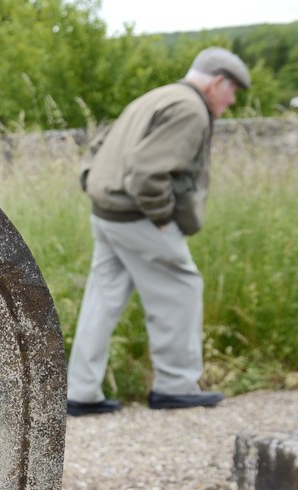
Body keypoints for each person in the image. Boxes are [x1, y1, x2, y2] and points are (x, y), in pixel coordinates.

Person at [65, 47, 250, 416]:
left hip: (106, 211)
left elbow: (100, 146)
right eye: (232, 93)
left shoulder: (157, 95)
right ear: (217, 82)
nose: (230, 103)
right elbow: (149, 172)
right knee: (182, 286)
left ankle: (80, 392)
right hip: (138, 216)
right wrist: (163, 217)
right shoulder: (189, 108)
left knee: (103, 298)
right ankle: (175, 385)